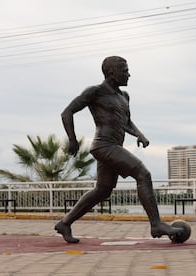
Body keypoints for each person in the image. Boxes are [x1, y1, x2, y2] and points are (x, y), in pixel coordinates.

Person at [55, 56, 183, 243]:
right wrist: (72, 139)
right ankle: (156, 224)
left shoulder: (124, 97)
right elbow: (67, 112)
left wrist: (139, 134)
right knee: (143, 174)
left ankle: (65, 223)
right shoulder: (95, 92)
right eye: (125, 70)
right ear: (111, 73)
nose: (129, 74)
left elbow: (127, 122)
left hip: (114, 146)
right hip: (104, 145)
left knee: (103, 190)